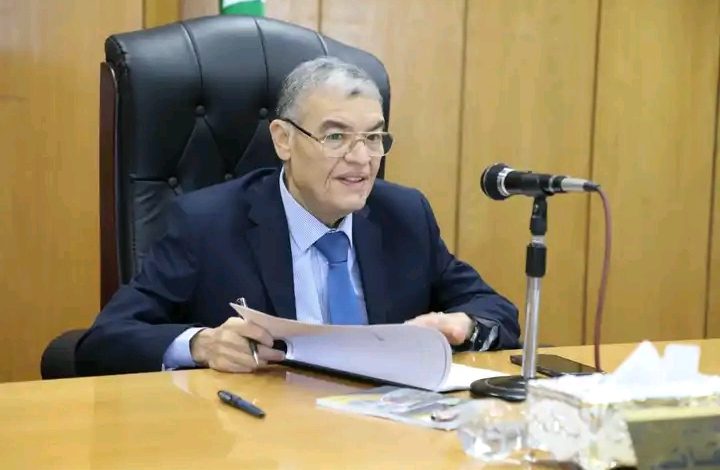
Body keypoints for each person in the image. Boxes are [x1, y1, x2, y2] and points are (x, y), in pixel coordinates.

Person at [76, 57, 520, 376]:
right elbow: (105, 339)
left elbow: (496, 310)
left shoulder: (403, 215)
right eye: (336, 137)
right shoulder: (206, 223)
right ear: (283, 140)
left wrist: (460, 325)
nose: (361, 159)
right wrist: (200, 345)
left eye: (373, 137)